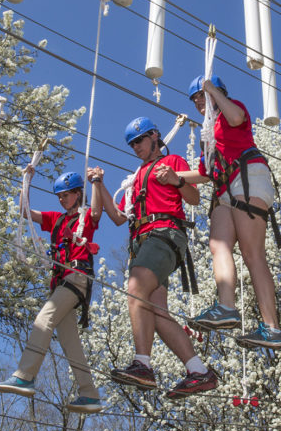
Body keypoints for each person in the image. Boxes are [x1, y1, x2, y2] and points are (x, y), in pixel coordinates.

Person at [92, 117, 218, 399]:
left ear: (155, 136)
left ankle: (143, 364)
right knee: (158, 313)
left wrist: (175, 181)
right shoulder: (135, 179)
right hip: (143, 242)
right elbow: (117, 218)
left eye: (139, 140)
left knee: (136, 288)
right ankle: (198, 371)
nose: (135, 147)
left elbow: (194, 198)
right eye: (132, 144)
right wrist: (99, 184)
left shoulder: (172, 162)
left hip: (164, 234)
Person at [182, 75, 281, 350]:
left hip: (247, 176)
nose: (198, 103)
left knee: (253, 254)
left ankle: (272, 327)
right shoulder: (208, 134)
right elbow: (204, 173)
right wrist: (168, 176)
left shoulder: (231, 111)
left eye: (201, 97)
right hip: (224, 187)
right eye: (195, 99)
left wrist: (213, 91)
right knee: (218, 244)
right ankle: (226, 305)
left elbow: (238, 117)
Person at [0, 170, 104, 414]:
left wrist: (96, 183)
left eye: (66, 195)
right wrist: (26, 182)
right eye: (59, 196)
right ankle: (89, 393)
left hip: (77, 278)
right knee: (69, 341)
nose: (62, 200)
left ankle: (25, 375)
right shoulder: (56, 219)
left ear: (78, 194)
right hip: (61, 282)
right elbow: (25, 212)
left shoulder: (86, 217)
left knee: (44, 319)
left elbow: (97, 211)